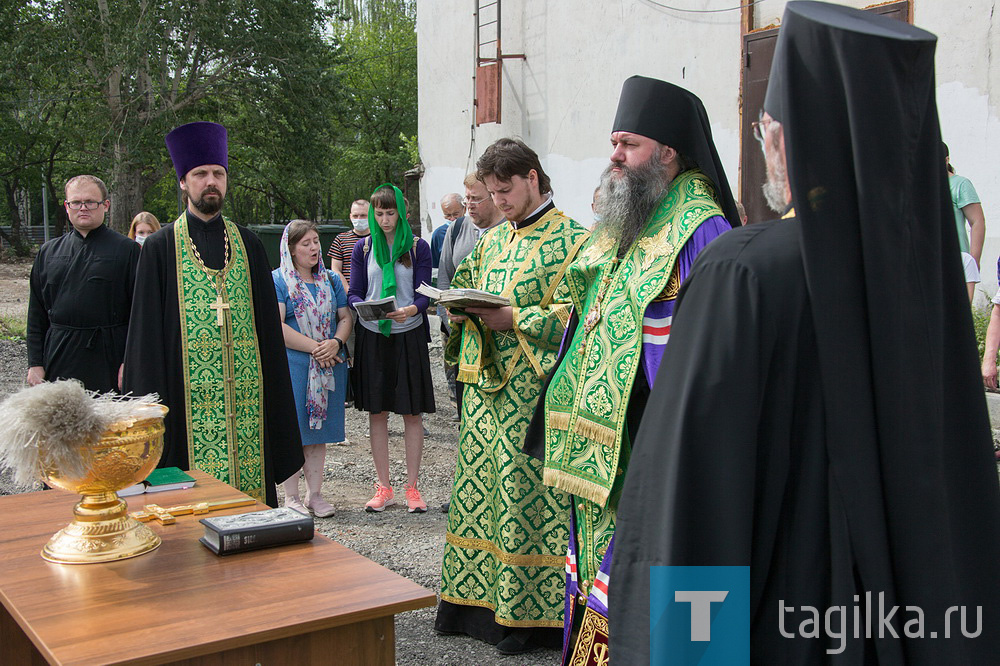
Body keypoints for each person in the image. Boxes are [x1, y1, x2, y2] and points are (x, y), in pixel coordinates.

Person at [610, 4, 1000, 663]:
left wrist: (692, 652)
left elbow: (696, 507)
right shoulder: (927, 276)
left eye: (767, 131)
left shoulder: (746, 272)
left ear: (785, 140)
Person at [524, 75, 738, 663]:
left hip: (653, 450)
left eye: (629, 144)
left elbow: (710, 354)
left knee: (657, 601)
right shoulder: (626, 219)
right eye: (614, 142)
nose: (615, 156)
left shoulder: (702, 229)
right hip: (595, 456)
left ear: (668, 151)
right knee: (595, 592)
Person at [435, 138, 590, 655]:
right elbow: (464, 282)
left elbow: (584, 316)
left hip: (535, 399)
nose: (498, 201)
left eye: (505, 191)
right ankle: (479, 608)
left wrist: (516, 319)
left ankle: (534, 622)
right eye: (492, 192)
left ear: (532, 178)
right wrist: (456, 311)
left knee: (527, 504)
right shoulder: (493, 241)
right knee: (486, 498)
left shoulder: (576, 241)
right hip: (484, 398)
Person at [122, 121, 303, 508]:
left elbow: (269, 334)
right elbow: (145, 338)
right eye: (200, 174)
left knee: (251, 511)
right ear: (184, 182)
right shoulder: (158, 247)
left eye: (218, 174)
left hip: (247, 402)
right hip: (183, 397)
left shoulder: (248, 243)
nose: (211, 182)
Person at [348, 184, 434, 513]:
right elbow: (353, 292)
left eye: (390, 212)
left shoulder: (417, 247)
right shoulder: (363, 247)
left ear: (401, 212)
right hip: (373, 333)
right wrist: (365, 306)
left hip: (408, 333)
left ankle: (413, 488)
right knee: (378, 412)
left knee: (412, 412)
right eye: (379, 213)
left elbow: (425, 292)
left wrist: (412, 309)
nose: (385, 220)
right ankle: (383, 487)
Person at [26, 175, 139, 393]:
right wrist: (35, 363)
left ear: (105, 205)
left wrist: (131, 361)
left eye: (90, 202)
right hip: (60, 353)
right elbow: (36, 313)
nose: (83, 208)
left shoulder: (127, 250)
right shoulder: (48, 252)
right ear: (67, 206)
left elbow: (139, 313)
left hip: (110, 356)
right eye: (76, 203)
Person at [273, 219, 352, 517]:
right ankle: (291, 496)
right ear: (291, 249)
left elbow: (345, 317)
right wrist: (315, 348)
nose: (314, 248)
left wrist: (335, 342)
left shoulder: (330, 280)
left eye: (316, 241)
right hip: (295, 366)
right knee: (293, 431)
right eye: (306, 243)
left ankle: (314, 495)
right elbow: (276, 326)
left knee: (319, 434)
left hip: (329, 366)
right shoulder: (279, 280)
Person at [436, 173, 507, 415]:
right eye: (467, 199)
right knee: (467, 407)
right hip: (462, 333)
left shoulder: (511, 230)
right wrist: (448, 318)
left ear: (494, 196)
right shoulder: (456, 229)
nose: (469, 206)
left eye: (476, 199)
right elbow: (445, 277)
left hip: (497, 335)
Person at [944, 143, 986, 302]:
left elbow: (977, 221)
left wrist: (974, 260)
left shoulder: (960, 184)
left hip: (958, 257)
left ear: (946, 160)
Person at [327, 199, 370, 289]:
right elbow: (336, 269)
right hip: (348, 294)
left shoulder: (379, 239)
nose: (359, 219)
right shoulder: (340, 239)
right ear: (350, 216)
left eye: (363, 216)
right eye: (355, 216)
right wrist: (349, 291)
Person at [431, 193, 464, 282]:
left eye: (455, 214)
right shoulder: (438, 234)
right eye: (448, 215)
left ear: (464, 209)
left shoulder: (472, 229)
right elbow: (436, 266)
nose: (452, 219)